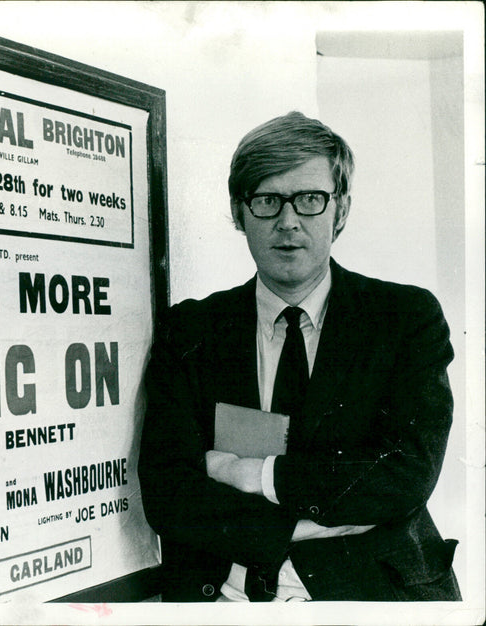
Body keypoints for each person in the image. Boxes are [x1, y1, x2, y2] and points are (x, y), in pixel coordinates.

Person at [138, 111, 460, 602]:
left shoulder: (404, 318)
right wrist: (312, 520)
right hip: (224, 598)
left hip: (371, 597)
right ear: (239, 211)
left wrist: (248, 474)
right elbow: (167, 493)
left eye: (310, 199)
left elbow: (406, 474)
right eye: (267, 200)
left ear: (341, 209)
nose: (288, 221)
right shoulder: (192, 329)